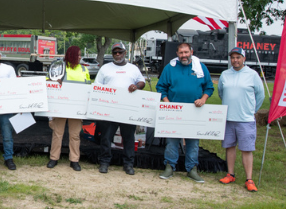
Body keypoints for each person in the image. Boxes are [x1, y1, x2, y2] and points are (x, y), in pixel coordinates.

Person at [155, 42, 215, 182]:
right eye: (181, 53)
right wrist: (167, 103)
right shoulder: (170, 68)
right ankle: (170, 167)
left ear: (191, 52)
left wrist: (203, 99)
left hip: (194, 111)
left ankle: (192, 169)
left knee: (193, 142)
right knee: (172, 141)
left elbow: (209, 87)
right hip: (174, 111)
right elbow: (161, 87)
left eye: (186, 52)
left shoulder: (200, 68)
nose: (184, 55)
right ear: (177, 54)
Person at [92, 45, 147, 175]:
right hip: (109, 109)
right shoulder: (105, 68)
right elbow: (97, 86)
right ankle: (105, 162)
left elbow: (142, 82)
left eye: (120, 52)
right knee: (106, 137)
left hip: (128, 110)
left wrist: (137, 86)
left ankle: (128, 164)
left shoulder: (133, 68)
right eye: (115, 52)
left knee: (128, 138)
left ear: (125, 53)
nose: (117, 54)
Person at [218, 48, 265, 191]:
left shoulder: (252, 75)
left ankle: (249, 179)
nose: (235, 60)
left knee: (246, 149)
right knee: (229, 146)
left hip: (246, 119)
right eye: (232, 57)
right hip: (228, 118)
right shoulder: (225, 74)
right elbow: (221, 92)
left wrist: (252, 111)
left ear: (243, 58)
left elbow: (260, 95)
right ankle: (230, 174)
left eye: (238, 57)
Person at [47, 45, 90, 171]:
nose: (80, 57)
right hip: (61, 106)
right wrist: (54, 81)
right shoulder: (59, 66)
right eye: (78, 54)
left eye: (80, 54)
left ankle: (74, 160)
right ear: (71, 55)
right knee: (57, 133)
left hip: (76, 108)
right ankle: (54, 158)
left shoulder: (83, 69)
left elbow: (88, 86)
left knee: (75, 135)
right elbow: (48, 81)